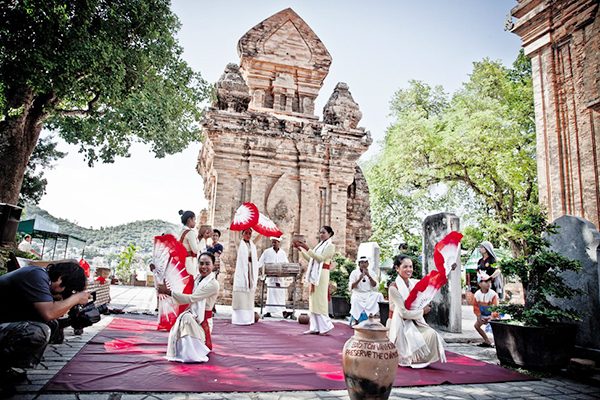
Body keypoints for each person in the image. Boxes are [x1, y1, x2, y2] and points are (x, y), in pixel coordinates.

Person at [0, 261, 89, 391]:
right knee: (36, 332)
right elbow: (49, 312)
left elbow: (51, 318)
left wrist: (75, 319)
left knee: (51, 325)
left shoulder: (39, 277)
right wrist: (75, 298)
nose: (64, 294)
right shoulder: (36, 275)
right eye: (67, 288)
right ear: (60, 278)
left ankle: (6, 369)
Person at [158, 252, 220, 363]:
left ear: (213, 266)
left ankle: (192, 355)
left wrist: (169, 292)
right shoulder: (198, 279)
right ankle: (182, 352)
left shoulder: (213, 284)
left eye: (207, 264)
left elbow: (192, 299)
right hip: (194, 315)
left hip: (203, 322)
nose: (204, 267)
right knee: (184, 317)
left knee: (186, 318)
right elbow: (186, 293)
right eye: (201, 264)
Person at [388, 254, 446, 368]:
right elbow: (403, 313)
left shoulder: (413, 283)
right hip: (400, 322)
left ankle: (421, 359)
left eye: (410, 266)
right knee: (420, 337)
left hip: (414, 320)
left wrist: (447, 269)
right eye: (405, 267)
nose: (409, 269)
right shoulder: (393, 288)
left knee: (432, 334)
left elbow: (432, 281)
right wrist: (422, 311)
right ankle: (413, 358)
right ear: (397, 268)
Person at [293, 226, 336, 335]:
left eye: (324, 232)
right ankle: (315, 327)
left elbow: (320, 259)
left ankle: (325, 327)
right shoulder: (319, 246)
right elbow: (311, 259)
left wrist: (307, 248)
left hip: (322, 274)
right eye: (320, 232)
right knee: (313, 300)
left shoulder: (330, 246)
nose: (321, 234)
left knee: (320, 300)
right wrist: (301, 250)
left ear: (330, 234)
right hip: (315, 274)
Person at [258, 236, 290, 318]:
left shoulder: (282, 253)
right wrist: (264, 270)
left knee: (280, 295)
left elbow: (286, 264)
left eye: (275, 242)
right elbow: (260, 263)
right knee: (271, 295)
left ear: (279, 243)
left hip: (279, 277)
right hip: (271, 277)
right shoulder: (267, 252)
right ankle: (269, 311)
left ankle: (283, 311)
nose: (274, 243)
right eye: (272, 242)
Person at [231, 228, 259, 325]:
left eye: (250, 233)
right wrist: (236, 226)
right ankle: (239, 319)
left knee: (249, 294)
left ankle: (248, 319)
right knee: (241, 296)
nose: (248, 235)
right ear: (242, 234)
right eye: (246, 233)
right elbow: (235, 235)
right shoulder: (240, 243)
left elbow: (259, 237)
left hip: (250, 270)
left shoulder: (252, 244)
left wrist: (262, 230)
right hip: (243, 270)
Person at [349, 256, 384, 325]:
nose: (364, 264)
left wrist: (368, 276)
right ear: (359, 264)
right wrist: (359, 279)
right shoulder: (354, 273)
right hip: (358, 294)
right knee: (355, 300)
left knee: (379, 295)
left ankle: (371, 317)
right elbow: (352, 287)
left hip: (369, 294)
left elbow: (375, 286)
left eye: (365, 262)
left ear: (368, 264)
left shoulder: (372, 273)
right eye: (362, 262)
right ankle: (356, 320)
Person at [473, 273, 499, 348]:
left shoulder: (493, 294)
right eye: (486, 282)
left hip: (492, 315)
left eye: (489, 282)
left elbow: (495, 307)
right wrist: (479, 316)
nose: (488, 283)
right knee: (477, 326)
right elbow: (475, 307)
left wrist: (492, 316)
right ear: (480, 284)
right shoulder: (477, 294)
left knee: (494, 328)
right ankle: (487, 340)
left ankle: (496, 342)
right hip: (483, 315)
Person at [178, 210, 200, 277]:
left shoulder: (181, 231)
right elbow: (195, 250)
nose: (195, 222)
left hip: (181, 260)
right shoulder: (190, 233)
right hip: (188, 262)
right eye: (194, 220)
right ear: (190, 219)